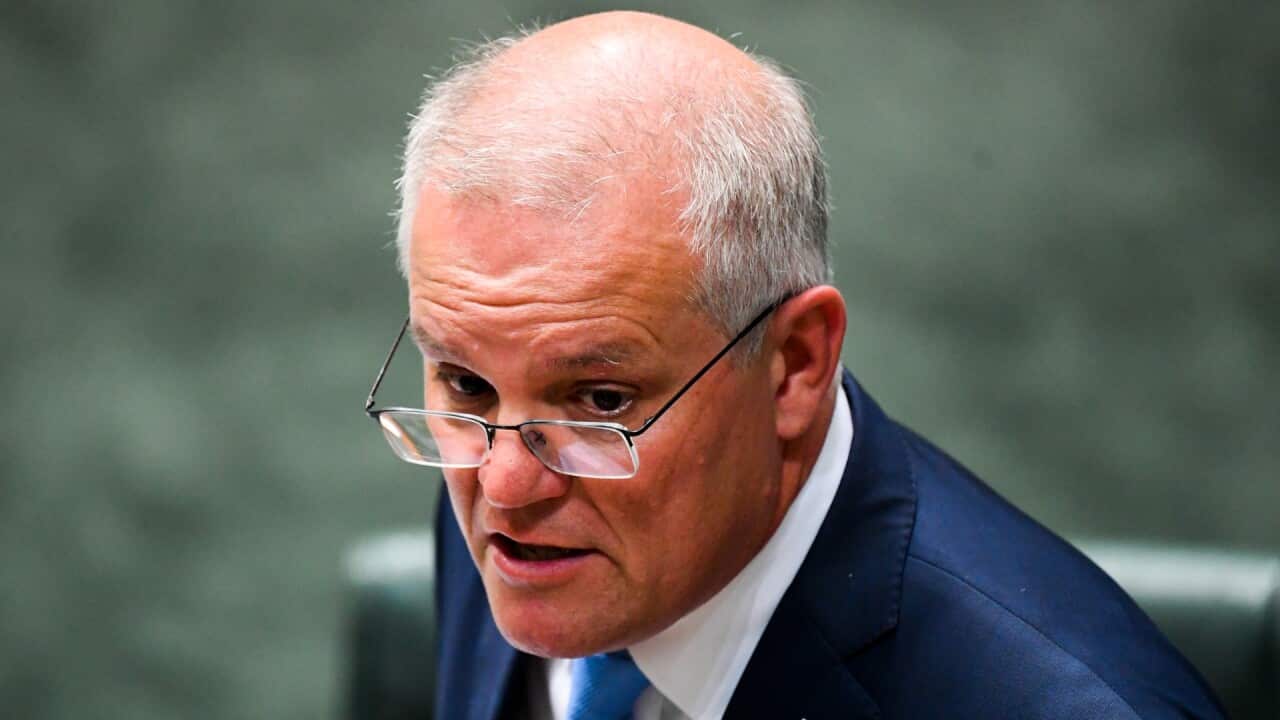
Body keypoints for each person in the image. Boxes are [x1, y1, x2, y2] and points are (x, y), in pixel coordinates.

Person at [363, 10, 1226, 719]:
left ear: (795, 367)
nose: (506, 485)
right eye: (464, 380)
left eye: (598, 398)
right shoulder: (514, 490)